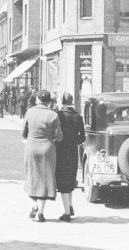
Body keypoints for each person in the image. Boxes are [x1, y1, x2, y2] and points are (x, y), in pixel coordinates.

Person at [22, 89, 63, 222]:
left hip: (32, 147)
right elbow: (59, 136)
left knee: (32, 176)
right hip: (47, 149)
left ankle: (34, 204)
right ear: (49, 101)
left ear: (38, 99)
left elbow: (24, 132)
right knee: (45, 180)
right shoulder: (53, 115)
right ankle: (41, 212)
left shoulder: (30, 112)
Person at [55, 92, 86, 221]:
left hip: (61, 151)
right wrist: (73, 141)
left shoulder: (59, 115)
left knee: (62, 181)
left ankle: (66, 212)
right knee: (70, 178)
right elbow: (82, 137)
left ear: (62, 101)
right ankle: (70, 205)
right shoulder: (78, 117)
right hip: (72, 152)